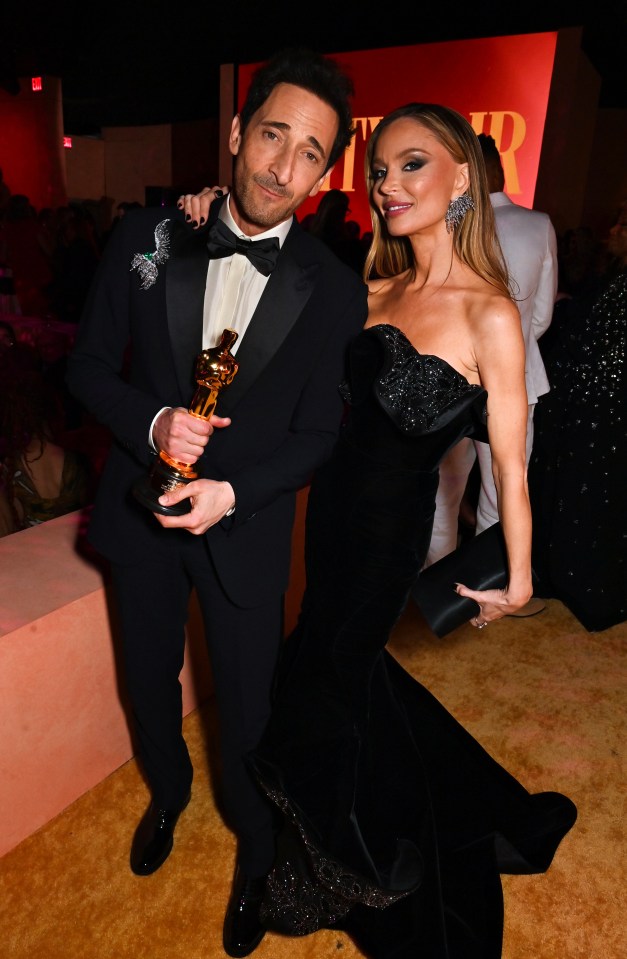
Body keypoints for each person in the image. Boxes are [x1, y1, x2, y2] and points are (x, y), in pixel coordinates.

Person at [207, 103, 575, 958]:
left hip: (386, 539)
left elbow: (511, 466)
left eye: (411, 164)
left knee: (316, 692)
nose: (387, 184)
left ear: (460, 176)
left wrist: (519, 579)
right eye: (378, 169)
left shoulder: (490, 314)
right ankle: (456, 802)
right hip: (327, 523)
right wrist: (207, 211)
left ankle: (334, 869)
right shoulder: (365, 289)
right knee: (351, 675)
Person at [65, 48, 367, 959]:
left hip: (247, 531)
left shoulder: (336, 290)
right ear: (238, 135)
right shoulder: (148, 238)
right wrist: (154, 421)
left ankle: (258, 855)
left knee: (249, 712)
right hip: (141, 520)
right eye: (272, 135)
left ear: (323, 173)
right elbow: (83, 369)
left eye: (309, 152)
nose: (282, 166)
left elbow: (319, 436)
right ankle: (165, 794)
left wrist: (234, 489)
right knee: (148, 680)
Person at [419, 132, 558, 619]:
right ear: (499, 169)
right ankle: (485, 598)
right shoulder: (537, 224)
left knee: (444, 492)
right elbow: (540, 318)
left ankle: (441, 594)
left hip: (450, 379)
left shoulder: (444, 224)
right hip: (516, 376)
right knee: (504, 490)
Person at [528, 201, 627, 631]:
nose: (615, 229)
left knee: (597, 498)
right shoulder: (615, 280)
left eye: (623, 223)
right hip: (591, 412)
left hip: (604, 416)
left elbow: (607, 355)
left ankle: (589, 587)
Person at [0, 368, 91, 532]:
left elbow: (8, 530)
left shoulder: (11, 470)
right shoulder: (76, 460)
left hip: (35, 553)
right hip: (73, 550)